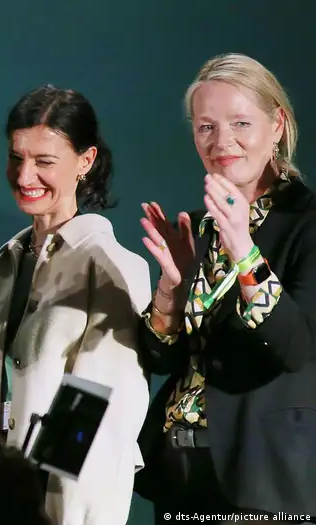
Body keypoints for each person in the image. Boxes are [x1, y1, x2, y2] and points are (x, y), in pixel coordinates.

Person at [0, 86, 150, 525]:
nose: (24, 177)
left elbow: (99, 419)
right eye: (16, 158)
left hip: (56, 508)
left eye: (44, 161)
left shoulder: (110, 267)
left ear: (85, 161)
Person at [135, 53, 316, 524]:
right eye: (206, 127)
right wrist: (171, 289)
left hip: (264, 479)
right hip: (180, 473)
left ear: (277, 125)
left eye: (240, 123)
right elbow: (162, 360)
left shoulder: (306, 224)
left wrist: (243, 248)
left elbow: (296, 348)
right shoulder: (198, 228)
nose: (222, 142)